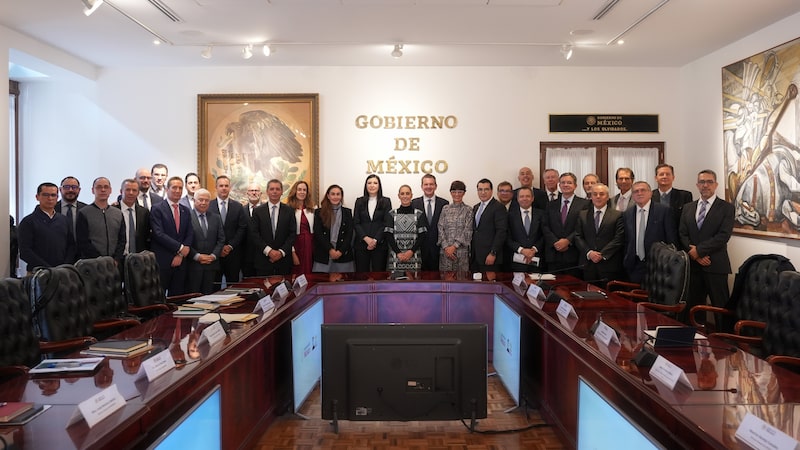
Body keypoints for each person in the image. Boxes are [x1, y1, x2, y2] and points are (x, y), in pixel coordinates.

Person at [679, 169, 735, 316]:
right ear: (697, 185)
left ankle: (724, 338)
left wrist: (700, 251)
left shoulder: (726, 208)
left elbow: (723, 236)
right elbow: (682, 234)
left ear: (715, 184)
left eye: (709, 182)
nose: (705, 185)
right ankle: (697, 339)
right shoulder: (688, 207)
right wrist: (695, 255)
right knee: (693, 309)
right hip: (693, 266)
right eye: (702, 182)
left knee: (720, 308)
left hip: (715, 264)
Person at [623, 181, 677, 284]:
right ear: (632, 195)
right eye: (636, 191)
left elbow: (671, 239)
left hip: (658, 264)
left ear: (650, 193)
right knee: (634, 297)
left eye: (643, 190)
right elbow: (626, 240)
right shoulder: (627, 214)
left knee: (654, 298)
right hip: (634, 264)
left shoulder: (664, 211)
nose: (639, 193)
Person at [150, 176, 194, 295]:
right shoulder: (157, 208)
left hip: (181, 262)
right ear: (167, 189)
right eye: (174, 187)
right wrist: (180, 248)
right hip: (164, 260)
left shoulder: (185, 210)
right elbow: (158, 234)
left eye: (180, 188)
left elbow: (189, 233)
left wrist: (180, 254)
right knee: (160, 297)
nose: (177, 191)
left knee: (178, 298)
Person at [575, 183, 625, 285]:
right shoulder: (582, 214)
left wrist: (602, 254)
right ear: (591, 197)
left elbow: (619, 238)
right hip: (588, 264)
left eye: (601, 194)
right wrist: (589, 253)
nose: (598, 197)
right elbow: (578, 236)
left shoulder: (617, 215)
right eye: (595, 194)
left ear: (607, 197)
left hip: (609, 264)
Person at [542, 172, 590, 277]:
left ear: (575, 186)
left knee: (572, 287)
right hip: (553, 255)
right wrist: (555, 242)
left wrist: (568, 240)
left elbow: (584, 227)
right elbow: (545, 226)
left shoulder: (584, 204)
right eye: (563, 182)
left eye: (569, 182)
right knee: (553, 288)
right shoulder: (550, 205)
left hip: (574, 254)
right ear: (559, 185)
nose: (566, 185)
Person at [18, 182, 75, 269]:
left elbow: (71, 246)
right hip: (38, 273)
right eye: (45, 195)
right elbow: (25, 252)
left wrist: (64, 266)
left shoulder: (64, 220)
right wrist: (48, 269)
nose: (50, 198)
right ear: (37, 197)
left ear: (57, 197)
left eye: (53, 195)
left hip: (62, 272)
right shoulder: (28, 222)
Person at [249, 179, 296, 276]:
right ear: (267, 191)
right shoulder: (258, 211)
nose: (274, 191)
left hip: (284, 260)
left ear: (282, 192)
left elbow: (292, 234)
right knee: (264, 290)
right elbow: (254, 234)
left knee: (285, 290)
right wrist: (269, 251)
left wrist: (281, 252)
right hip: (263, 260)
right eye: (272, 189)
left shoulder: (289, 211)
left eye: (277, 189)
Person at [75, 177, 126, 265]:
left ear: (110, 190)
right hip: (92, 264)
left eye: (106, 187)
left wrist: (116, 258)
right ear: (92, 190)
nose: (103, 190)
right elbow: (82, 241)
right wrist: (99, 260)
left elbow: (122, 239)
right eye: (99, 187)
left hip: (114, 264)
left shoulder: (118, 213)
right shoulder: (84, 213)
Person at [209, 175, 249, 286]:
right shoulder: (208, 206)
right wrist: (219, 248)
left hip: (233, 254)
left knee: (233, 287)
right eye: (221, 186)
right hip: (214, 255)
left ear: (230, 188)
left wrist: (230, 246)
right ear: (216, 187)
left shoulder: (238, 206)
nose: (224, 188)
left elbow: (242, 228)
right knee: (214, 287)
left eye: (226, 186)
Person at [187, 189, 225, 294]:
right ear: (194, 201)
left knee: (209, 296)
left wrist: (213, 256)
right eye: (200, 200)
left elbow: (221, 239)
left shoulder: (216, 218)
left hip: (211, 265)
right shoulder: (187, 217)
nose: (203, 203)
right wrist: (197, 256)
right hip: (193, 265)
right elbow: (185, 241)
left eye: (206, 200)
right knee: (193, 297)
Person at [353, 174, 392, 272]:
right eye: (369, 183)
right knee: (361, 275)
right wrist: (366, 238)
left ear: (379, 186)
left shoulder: (386, 201)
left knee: (379, 275)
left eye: (375, 183)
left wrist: (375, 240)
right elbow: (356, 223)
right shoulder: (359, 201)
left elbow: (386, 223)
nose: (372, 185)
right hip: (362, 244)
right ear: (366, 185)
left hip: (379, 244)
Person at [312, 185, 355, 273]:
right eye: (333, 194)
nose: (335, 197)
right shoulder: (319, 212)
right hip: (324, 253)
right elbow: (318, 233)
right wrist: (330, 249)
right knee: (322, 284)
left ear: (341, 196)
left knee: (343, 284)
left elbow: (349, 234)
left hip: (343, 255)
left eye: (338, 194)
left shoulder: (348, 212)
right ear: (328, 196)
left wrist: (340, 251)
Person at [411, 174, 449, 271]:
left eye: (431, 184)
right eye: (426, 184)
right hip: (419, 249)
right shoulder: (414, 203)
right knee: (420, 281)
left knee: (437, 280)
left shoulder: (444, 204)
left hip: (438, 249)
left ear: (435, 186)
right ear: (422, 186)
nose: (428, 187)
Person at [386, 185, 427, 272]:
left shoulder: (419, 214)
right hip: (396, 257)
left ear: (411, 195)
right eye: (402, 194)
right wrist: (398, 253)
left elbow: (422, 235)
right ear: (399, 196)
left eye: (407, 193)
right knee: (396, 285)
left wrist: (411, 251)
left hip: (414, 256)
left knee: (414, 284)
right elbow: (388, 235)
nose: (405, 196)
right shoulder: (392, 214)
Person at [471, 178, 507, 272]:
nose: (483, 192)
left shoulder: (499, 207)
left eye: (486, 189)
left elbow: (501, 232)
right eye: (480, 189)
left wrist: (493, 253)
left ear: (491, 191)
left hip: (490, 257)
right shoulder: (476, 207)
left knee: (489, 285)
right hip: (476, 257)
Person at [506, 187, 544, 273]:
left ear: (532, 198)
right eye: (522, 196)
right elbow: (507, 237)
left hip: (537, 260)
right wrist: (522, 250)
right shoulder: (510, 216)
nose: (524, 199)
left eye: (527, 196)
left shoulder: (541, 214)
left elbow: (545, 235)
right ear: (518, 199)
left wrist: (534, 249)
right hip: (517, 261)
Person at [438, 180, 473, 273]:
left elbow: (468, 230)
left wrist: (454, 246)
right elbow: (440, 227)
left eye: (460, 192)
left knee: (461, 282)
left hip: (461, 252)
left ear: (464, 193)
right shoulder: (445, 209)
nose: (457, 194)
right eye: (454, 192)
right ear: (450, 193)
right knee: (445, 281)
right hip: (445, 252)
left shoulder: (468, 210)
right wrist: (446, 247)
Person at [286, 180, 315, 276]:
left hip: (310, 245)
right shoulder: (287, 209)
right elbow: (286, 234)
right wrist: (293, 253)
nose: (302, 192)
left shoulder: (313, 209)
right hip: (295, 245)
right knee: (296, 273)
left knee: (309, 272)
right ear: (295, 191)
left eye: (304, 190)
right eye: (299, 190)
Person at [651, 163, 693, 228]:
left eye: (668, 174)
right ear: (656, 178)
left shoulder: (685, 196)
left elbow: (688, 220)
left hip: (677, 235)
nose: (664, 176)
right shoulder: (649, 196)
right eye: (661, 174)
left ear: (673, 177)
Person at [116, 178, 151, 255]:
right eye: (128, 190)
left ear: (138, 193)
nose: (131, 193)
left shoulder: (144, 212)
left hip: (139, 258)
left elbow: (147, 236)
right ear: (121, 191)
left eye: (134, 190)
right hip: (118, 258)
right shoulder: (114, 211)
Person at [241, 183, 264, 277]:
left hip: (263, 255)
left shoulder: (267, 210)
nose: (254, 193)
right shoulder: (241, 210)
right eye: (251, 191)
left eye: (256, 190)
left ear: (261, 193)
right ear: (247, 193)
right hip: (246, 256)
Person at [54, 175, 86, 242]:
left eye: (74, 187)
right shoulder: (52, 208)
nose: (70, 190)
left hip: (81, 251)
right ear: (60, 190)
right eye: (66, 187)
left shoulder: (86, 209)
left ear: (79, 190)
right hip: (58, 250)